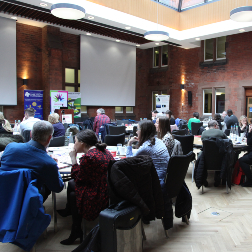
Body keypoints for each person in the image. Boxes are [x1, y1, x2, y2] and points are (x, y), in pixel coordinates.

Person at [58, 129, 114, 245]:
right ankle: (69, 211)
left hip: (97, 195)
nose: (74, 145)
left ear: (82, 143)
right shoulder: (104, 151)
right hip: (106, 190)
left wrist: (73, 159)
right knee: (71, 184)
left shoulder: (89, 157)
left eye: (75, 141)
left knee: (73, 193)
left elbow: (78, 178)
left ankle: (76, 229)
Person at [0, 120, 64, 201]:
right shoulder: (49, 163)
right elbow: (58, 188)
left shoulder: (10, 147)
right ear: (49, 138)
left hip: (4, 194)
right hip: (27, 201)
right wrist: (55, 166)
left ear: (31, 134)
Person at [126, 120, 172, 229]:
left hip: (156, 182)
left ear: (143, 131)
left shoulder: (147, 146)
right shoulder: (158, 141)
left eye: (138, 129)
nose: (136, 132)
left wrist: (129, 144)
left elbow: (129, 160)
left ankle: (136, 214)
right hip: (165, 178)